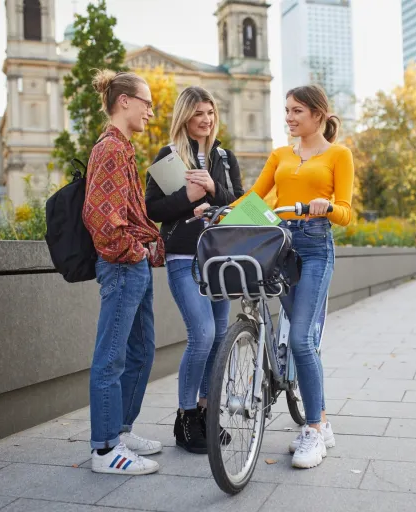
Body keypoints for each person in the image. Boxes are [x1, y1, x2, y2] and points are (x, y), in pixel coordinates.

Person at [197, 84, 354, 469]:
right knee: (294, 337)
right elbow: (254, 198)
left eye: (297, 110)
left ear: (318, 114)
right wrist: (218, 210)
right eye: (286, 110)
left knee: (302, 340)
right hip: (281, 248)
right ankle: (319, 418)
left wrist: (327, 206)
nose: (289, 117)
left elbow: (347, 212)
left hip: (316, 247)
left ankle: (314, 430)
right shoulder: (281, 154)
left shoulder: (339, 154)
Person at [145, 86, 244, 454]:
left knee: (219, 335)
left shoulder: (224, 156)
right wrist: (187, 201)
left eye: (211, 113)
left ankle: (205, 412)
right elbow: (152, 210)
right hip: (184, 255)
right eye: (200, 112)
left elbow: (239, 205)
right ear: (185, 116)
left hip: (218, 257)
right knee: (201, 333)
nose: (207, 119)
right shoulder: (169, 156)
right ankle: (185, 417)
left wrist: (214, 189)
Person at [82, 69, 166, 475]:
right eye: (146, 102)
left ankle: (121, 430)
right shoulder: (111, 149)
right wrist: (133, 252)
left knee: (141, 349)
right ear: (124, 102)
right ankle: (104, 450)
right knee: (111, 357)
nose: (151, 110)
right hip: (122, 266)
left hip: (133, 265)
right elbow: (99, 217)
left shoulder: (124, 148)